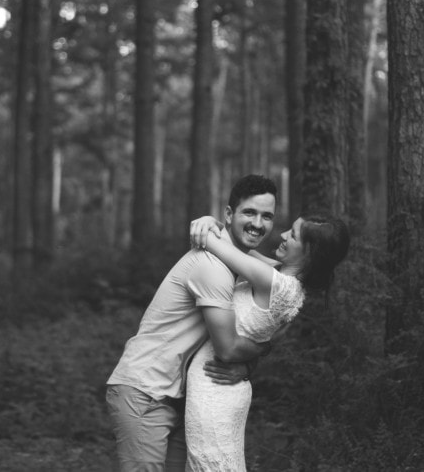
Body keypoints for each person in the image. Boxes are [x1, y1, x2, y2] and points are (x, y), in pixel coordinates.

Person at [106, 174, 280, 472]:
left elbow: (286, 279)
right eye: (249, 212)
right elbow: (227, 349)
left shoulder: (234, 260)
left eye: (267, 216)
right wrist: (261, 351)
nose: (258, 224)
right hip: (145, 391)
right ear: (228, 214)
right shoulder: (211, 266)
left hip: (179, 397)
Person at [184, 212, 350, 471]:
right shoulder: (286, 282)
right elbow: (235, 246)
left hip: (214, 390)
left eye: (293, 235)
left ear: (309, 253)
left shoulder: (274, 283)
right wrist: (213, 222)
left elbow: (214, 243)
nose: (283, 235)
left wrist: (205, 222)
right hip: (223, 386)